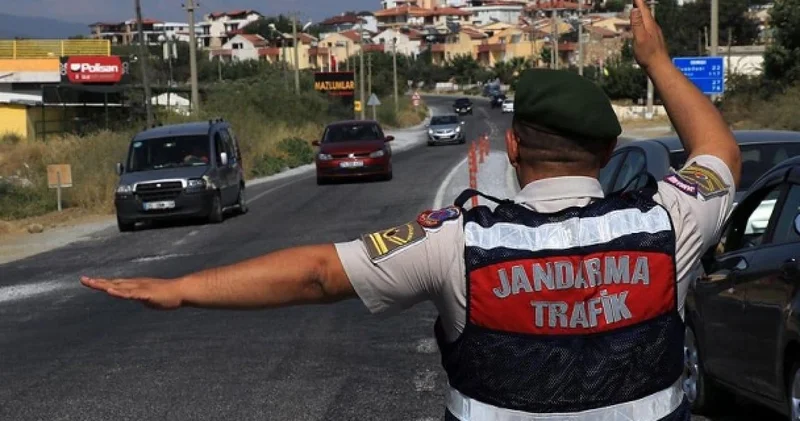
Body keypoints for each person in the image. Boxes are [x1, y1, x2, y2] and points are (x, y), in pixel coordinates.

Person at [80, 0, 741, 419]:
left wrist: (183, 288)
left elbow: (316, 273)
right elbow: (716, 151)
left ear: (513, 145)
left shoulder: (458, 241)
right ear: (605, 151)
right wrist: (655, 60)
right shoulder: (667, 222)